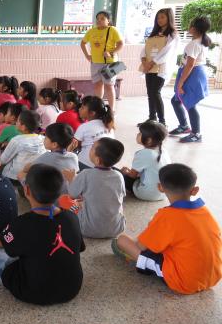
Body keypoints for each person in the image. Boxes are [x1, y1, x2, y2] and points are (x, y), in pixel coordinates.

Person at [0, 164, 85, 305]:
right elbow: (79, 248)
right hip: (72, 288)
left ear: (27, 190)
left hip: (31, 292)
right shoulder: (72, 217)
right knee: (29, 249)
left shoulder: (21, 223)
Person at [113, 164, 222, 295]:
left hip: (185, 282)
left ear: (160, 187)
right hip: (213, 277)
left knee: (122, 240)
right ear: (195, 190)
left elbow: (141, 246)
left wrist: (150, 230)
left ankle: (134, 257)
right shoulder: (205, 212)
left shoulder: (167, 216)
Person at [66, 138, 126, 238]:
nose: (90, 148)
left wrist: (71, 179)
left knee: (66, 202)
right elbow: (120, 196)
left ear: (98, 160)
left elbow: (72, 195)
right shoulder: (119, 176)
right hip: (116, 229)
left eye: (92, 147)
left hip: (87, 229)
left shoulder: (86, 174)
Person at [169, 16, 212, 143]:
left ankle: (196, 134)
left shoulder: (194, 44)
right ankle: (184, 126)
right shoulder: (201, 41)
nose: (189, 27)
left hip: (192, 74)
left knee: (190, 104)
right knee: (176, 100)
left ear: (195, 28)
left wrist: (181, 83)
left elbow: (190, 65)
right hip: (195, 73)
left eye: (191, 24)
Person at [139, 8, 179, 126]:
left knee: (155, 92)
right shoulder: (154, 33)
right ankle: (152, 118)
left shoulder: (172, 35)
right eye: (158, 17)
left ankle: (162, 122)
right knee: (150, 93)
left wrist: (152, 63)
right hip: (149, 67)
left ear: (169, 18)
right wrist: (144, 61)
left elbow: (167, 52)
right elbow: (144, 49)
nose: (159, 20)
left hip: (161, 68)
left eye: (162, 17)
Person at [80, 10, 124, 111]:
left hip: (109, 63)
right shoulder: (92, 31)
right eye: (98, 19)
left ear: (108, 20)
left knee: (109, 86)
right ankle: (98, 108)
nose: (99, 20)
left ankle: (111, 110)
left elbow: (121, 44)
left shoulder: (112, 30)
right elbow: (83, 43)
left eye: (102, 19)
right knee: (97, 85)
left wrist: (112, 52)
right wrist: (87, 55)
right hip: (95, 63)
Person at [19, 123, 78, 191]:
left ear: (54, 144)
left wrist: (27, 166)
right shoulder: (74, 156)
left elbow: (26, 169)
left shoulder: (46, 157)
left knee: (21, 174)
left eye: (46, 137)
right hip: (68, 192)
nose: (44, 139)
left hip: (50, 195)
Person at [120, 121, 170, 202]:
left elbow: (132, 175)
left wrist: (126, 172)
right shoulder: (164, 151)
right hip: (165, 193)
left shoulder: (143, 154)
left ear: (149, 140)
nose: (137, 134)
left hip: (148, 194)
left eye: (140, 133)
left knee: (120, 174)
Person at [0, 110, 45, 183]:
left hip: (14, 178)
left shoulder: (17, 140)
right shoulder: (43, 139)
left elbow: (2, 160)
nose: (16, 122)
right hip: (34, 178)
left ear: (23, 127)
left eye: (18, 121)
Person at [72, 96, 114, 170]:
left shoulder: (84, 127)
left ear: (92, 113)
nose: (79, 109)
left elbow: (74, 145)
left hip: (86, 163)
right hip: (106, 164)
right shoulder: (109, 125)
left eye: (82, 108)